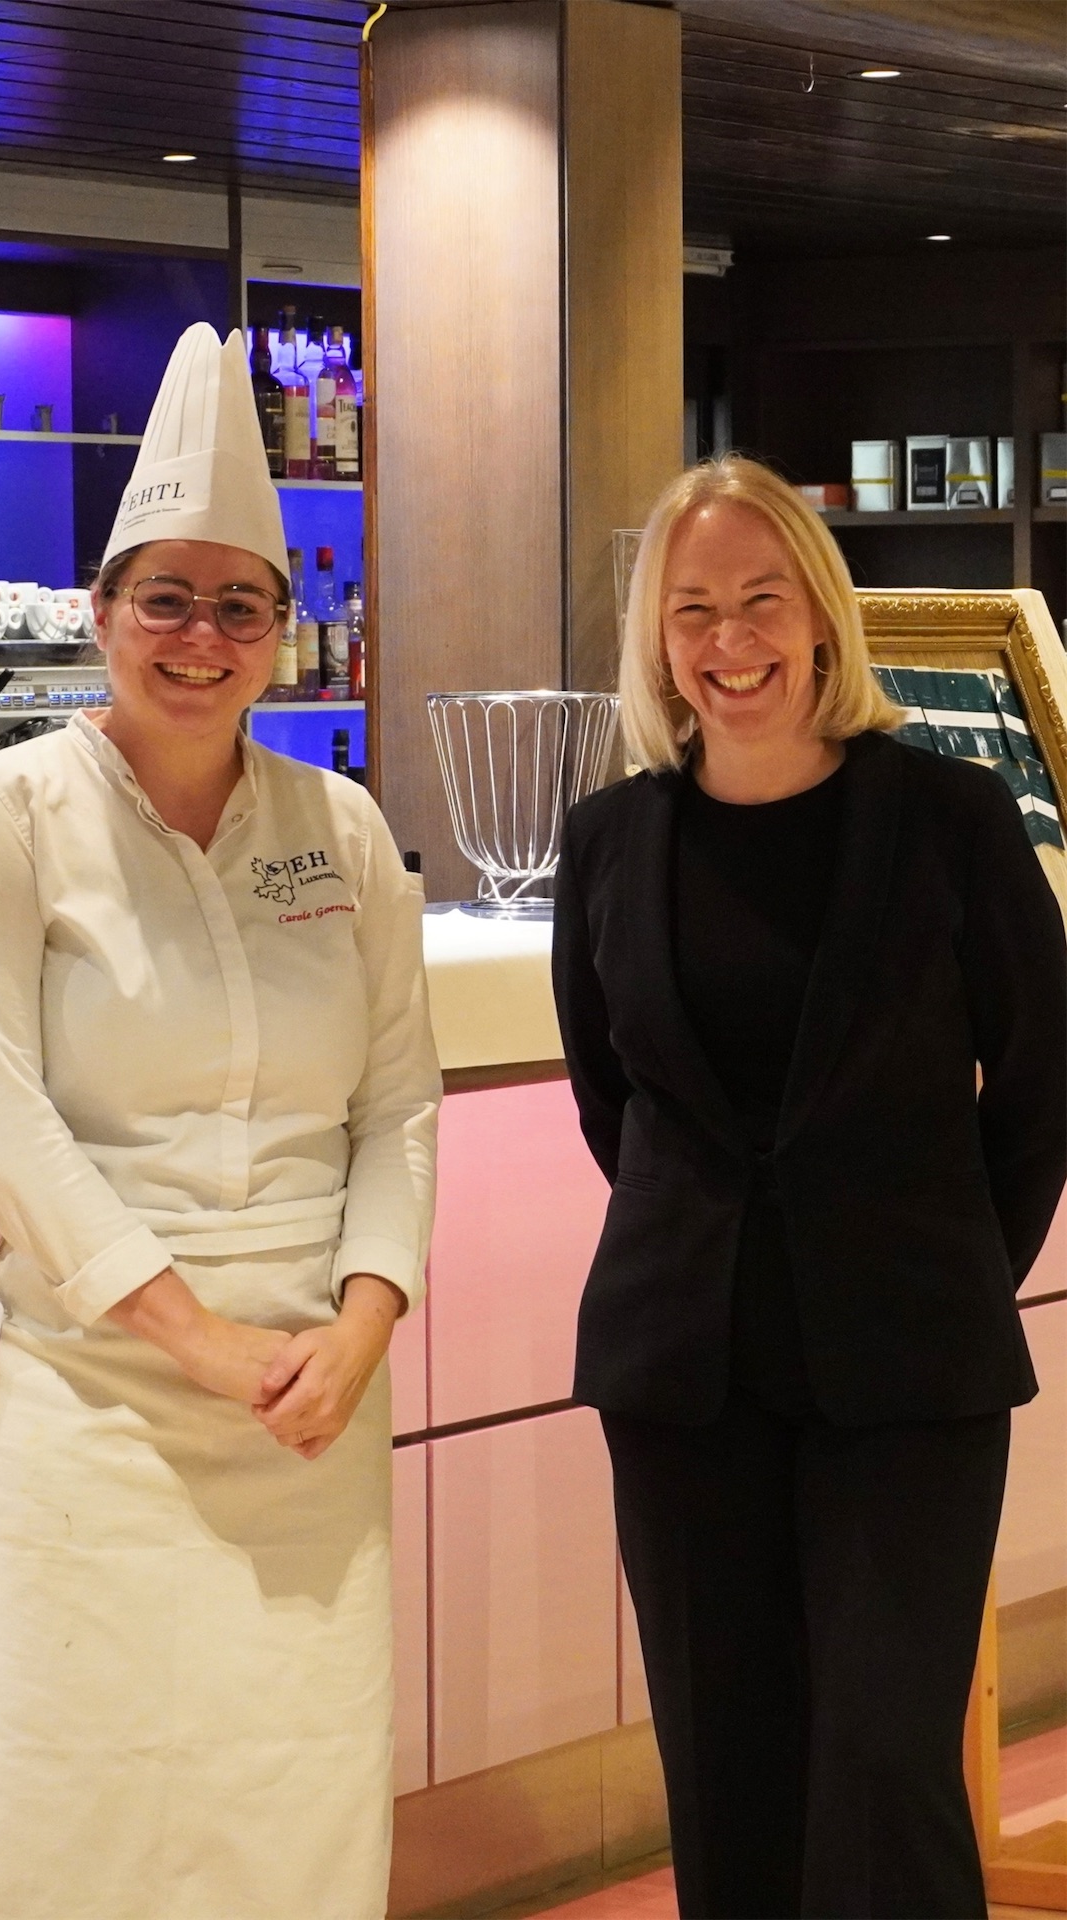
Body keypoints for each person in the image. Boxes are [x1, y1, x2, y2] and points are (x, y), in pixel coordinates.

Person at [0, 324, 440, 1920]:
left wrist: (363, 1325)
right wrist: (198, 1341)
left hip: (305, 1395)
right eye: (166, 598)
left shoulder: (344, 828)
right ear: (102, 611)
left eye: (241, 604)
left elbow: (399, 1103)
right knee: (38, 1777)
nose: (202, 636)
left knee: (282, 1783)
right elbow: (0, 1129)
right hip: (68, 1380)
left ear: (282, 630)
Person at [552, 455, 1066, 1920]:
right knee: (727, 1771)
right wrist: (717, 1249)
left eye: (761, 599)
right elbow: (615, 1100)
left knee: (883, 1769)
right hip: (683, 1375)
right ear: (659, 637)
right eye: (694, 609)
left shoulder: (953, 820)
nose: (731, 641)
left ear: (821, 614)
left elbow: (1042, 1083)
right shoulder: (610, 843)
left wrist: (945, 1266)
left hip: (907, 1371)